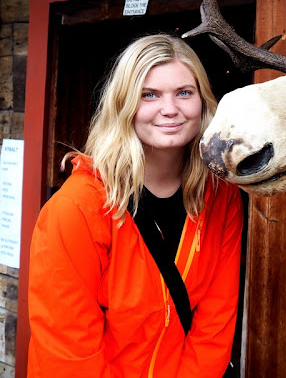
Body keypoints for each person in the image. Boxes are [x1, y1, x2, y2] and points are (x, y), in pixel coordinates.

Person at [27, 34, 243, 378]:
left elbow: (215, 323)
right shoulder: (76, 208)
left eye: (184, 92)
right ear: (125, 104)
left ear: (202, 101)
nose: (169, 109)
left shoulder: (221, 197)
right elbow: (68, 350)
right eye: (149, 95)